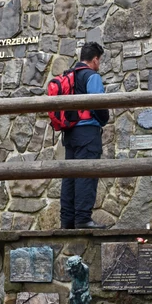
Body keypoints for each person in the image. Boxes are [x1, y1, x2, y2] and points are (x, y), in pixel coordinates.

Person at [60, 41, 111, 230]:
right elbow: (99, 105)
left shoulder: (69, 76)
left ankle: (67, 220)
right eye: (100, 60)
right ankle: (83, 219)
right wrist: (104, 119)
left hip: (70, 133)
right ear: (95, 59)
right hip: (88, 132)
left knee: (70, 176)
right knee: (86, 174)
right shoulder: (92, 76)